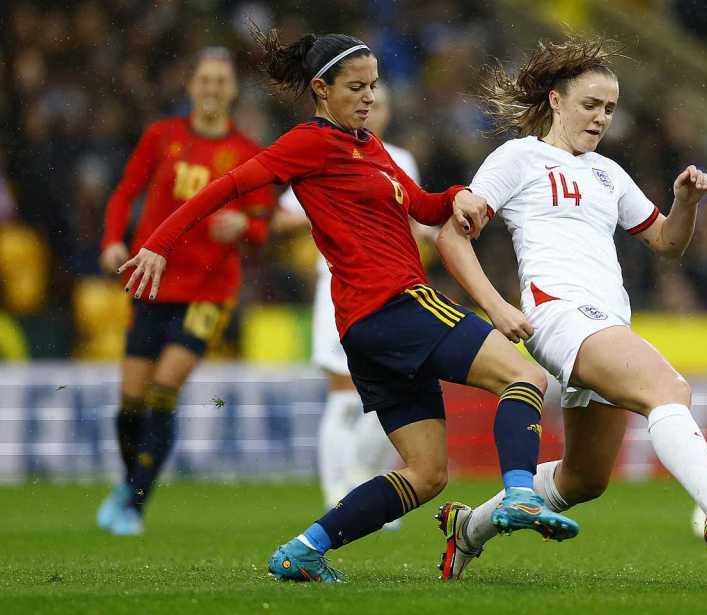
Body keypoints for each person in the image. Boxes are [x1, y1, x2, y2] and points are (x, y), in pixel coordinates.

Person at [118, 29, 579, 583]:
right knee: (525, 377)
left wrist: (457, 195)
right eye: (356, 87)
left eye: (374, 86)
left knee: (427, 473)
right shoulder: (308, 142)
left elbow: (424, 207)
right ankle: (521, 494)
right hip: (395, 303)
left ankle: (303, 550)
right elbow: (228, 186)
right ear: (321, 89)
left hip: (366, 326)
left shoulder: (370, 146)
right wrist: (159, 244)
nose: (368, 97)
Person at [431, 36, 707, 581]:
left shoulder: (608, 173)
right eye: (590, 105)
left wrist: (685, 203)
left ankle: (468, 529)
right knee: (668, 389)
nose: (601, 118)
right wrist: (497, 307)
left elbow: (667, 242)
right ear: (556, 101)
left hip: (604, 322)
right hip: (558, 313)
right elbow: (451, 237)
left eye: (610, 109)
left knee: (584, 478)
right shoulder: (518, 157)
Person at [95, 47, 273, 536]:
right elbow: (124, 192)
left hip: (209, 291)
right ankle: (130, 485)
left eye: (221, 81)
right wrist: (112, 241)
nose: (212, 88)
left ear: (232, 90)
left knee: (164, 387)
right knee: (130, 400)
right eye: (205, 80)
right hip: (151, 282)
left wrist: (244, 226)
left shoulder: (247, 152)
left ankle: (134, 504)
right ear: (191, 86)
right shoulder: (162, 136)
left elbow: (263, 225)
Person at [273, 83, 416, 521]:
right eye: (367, 100)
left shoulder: (399, 159)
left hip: (391, 289)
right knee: (343, 393)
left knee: (395, 388)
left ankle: (368, 488)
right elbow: (282, 217)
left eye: (382, 103)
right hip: (339, 285)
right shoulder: (325, 152)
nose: (374, 110)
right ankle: (337, 494)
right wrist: (320, 211)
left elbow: (411, 217)